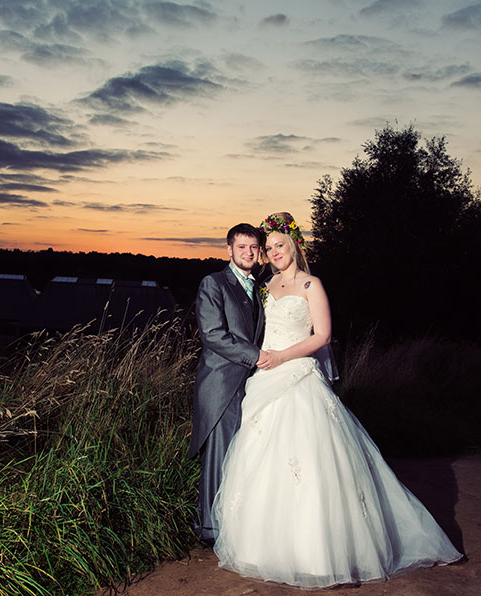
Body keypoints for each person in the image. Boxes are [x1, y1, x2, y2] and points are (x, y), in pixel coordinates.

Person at [212, 212, 463, 588]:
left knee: (313, 462)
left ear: (294, 244)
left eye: (279, 246)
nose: (274, 253)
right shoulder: (267, 285)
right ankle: (264, 549)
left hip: (297, 375)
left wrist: (283, 356)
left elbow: (323, 337)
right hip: (266, 379)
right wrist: (264, 359)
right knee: (263, 459)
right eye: (269, 248)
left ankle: (319, 554)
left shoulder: (312, 285)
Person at [189, 223, 269, 546]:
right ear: (229, 250)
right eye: (242, 247)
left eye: (253, 248)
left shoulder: (260, 286)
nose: (248, 253)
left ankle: (236, 525)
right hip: (221, 383)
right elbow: (212, 334)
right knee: (219, 457)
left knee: (241, 456)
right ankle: (210, 530)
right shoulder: (214, 283)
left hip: (252, 385)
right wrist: (258, 356)